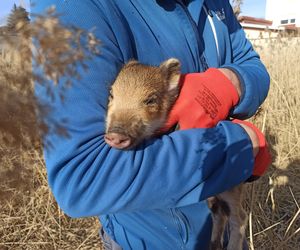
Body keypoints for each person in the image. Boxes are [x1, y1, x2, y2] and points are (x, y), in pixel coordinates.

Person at [33, 1, 271, 249]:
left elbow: (251, 64)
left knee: (227, 211)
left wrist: (232, 82)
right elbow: (83, 179)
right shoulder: (73, 7)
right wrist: (237, 143)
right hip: (147, 240)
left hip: (223, 235)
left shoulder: (215, 4)